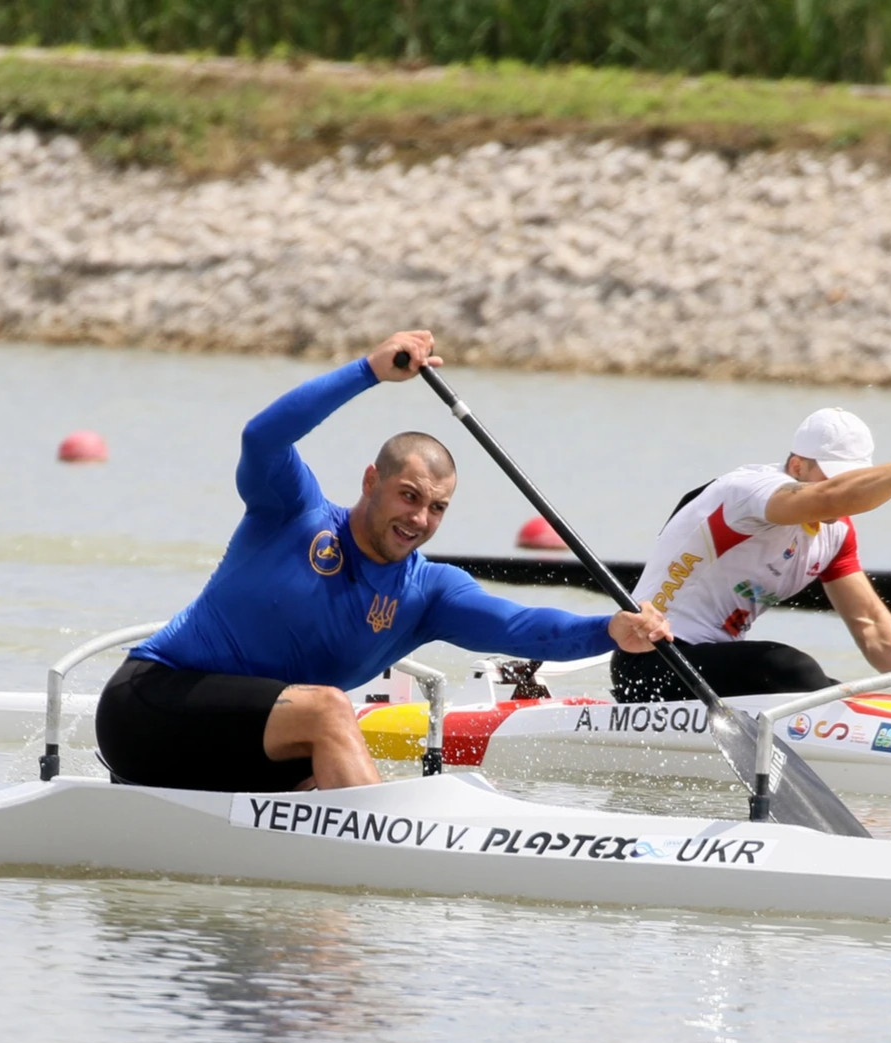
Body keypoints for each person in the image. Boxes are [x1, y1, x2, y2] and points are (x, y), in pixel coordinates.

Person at [96, 330, 669, 793]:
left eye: (437, 508)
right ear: (372, 480)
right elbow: (262, 438)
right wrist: (367, 372)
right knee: (328, 711)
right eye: (409, 496)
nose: (419, 519)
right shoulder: (291, 512)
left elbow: (524, 628)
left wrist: (612, 629)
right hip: (150, 711)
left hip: (245, 751)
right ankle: (388, 859)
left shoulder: (429, 594)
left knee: (324, 794)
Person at [610, 407, 891, 707]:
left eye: (856, 477)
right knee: (791, 668)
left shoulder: (835, 533)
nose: (845, 488)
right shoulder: (749, 492)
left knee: (855, 698)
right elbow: (834, 497)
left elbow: (870, 625)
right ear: (797, 466)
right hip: (650, 660)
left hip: (715, 670)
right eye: (835, 477)